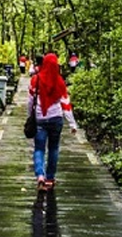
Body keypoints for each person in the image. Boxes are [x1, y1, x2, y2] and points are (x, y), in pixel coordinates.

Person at [28, 52, 77, 191]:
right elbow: (65, 103)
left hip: (40, 118)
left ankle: (40, 175)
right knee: (53, 149)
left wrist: (30, 116)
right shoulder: (60, 81)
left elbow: (30, 101)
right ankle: (49, 178)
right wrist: (72, 123)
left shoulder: (35, 79)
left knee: (39, 148)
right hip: (56, 118)